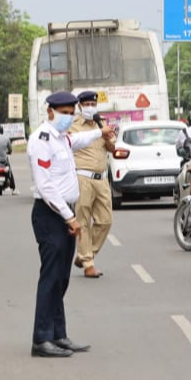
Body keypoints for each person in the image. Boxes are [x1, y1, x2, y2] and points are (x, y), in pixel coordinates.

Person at [27, 90, 117, 358]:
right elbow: (45, 186)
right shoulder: (41, 140)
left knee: (62, 279)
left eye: (70, 113)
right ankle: (41, 339)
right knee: (50, 278)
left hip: (63, 214)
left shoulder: (62, 138)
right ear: (50, 112)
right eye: (64, 114)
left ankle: (58, 334)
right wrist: (70, 217)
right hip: (51, 215)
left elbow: (78, 139)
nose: (68, 118)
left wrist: (100, 133)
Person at [68, 90, 117, 278]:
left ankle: (84, 255)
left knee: (106, 221)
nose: (90, 107)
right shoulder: (73, 126)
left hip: (102, 178)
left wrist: (107, 139)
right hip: (82, 178)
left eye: (92, 104)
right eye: (86, 104)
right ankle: (88, 263)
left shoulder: (102, 122)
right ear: (80, 106)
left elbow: (112, 148)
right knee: (83, 221)